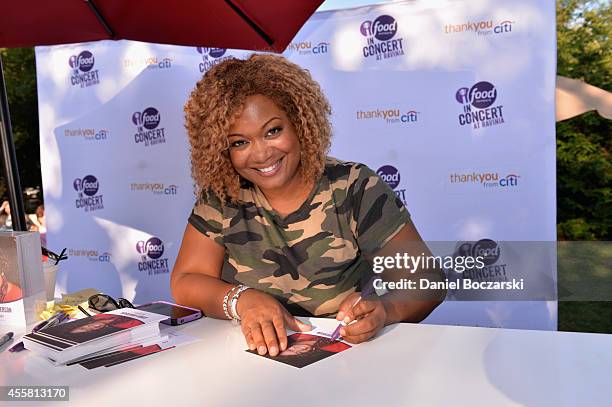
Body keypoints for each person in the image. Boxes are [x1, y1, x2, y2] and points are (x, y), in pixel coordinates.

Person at [172, 54, 445, 358]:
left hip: (346, 360)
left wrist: (385, 310)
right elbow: (186, 280)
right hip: (247, 366)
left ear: (300, 124)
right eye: (240, 142)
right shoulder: (222, 196)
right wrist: (243, 300)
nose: (261, 154)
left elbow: (426, 281)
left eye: (273, 131)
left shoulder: (354, 186)